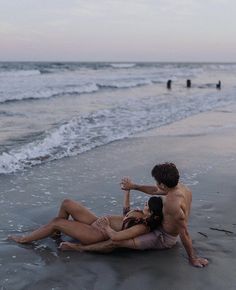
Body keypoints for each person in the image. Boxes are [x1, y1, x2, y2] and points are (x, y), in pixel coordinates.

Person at [60, 163, 208, 268]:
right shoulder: (181, 187)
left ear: (163, 184)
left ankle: (79, 248)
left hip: (162, 237)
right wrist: (133, 187)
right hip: (158, 224)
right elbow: (155, 191)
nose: (156, 185)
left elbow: (184, 232)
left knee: (117, 242)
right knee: (125, 225)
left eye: (157, 182)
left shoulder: (172, 204)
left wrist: (192, 258)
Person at [8, 190, 163, 246]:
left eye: (147, 206)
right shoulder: (142, 215)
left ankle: (24, 240)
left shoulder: (143, 226)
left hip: (98, 234)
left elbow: (116, 237)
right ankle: (55, 233)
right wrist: (127, 192)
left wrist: (106, 227)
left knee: (57, 222)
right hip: (98, 223)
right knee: (67, 203)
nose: (144, 205)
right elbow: (125, 216)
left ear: (151, 213)